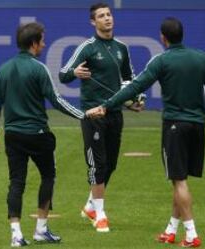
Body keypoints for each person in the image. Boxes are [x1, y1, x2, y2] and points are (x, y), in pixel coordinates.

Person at [87, 17, 205, 247]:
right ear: (183, 34)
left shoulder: (161, 61)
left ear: (163, 37)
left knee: (179, 181)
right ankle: (171, 229)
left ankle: (191, 234)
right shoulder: (201, 58)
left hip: (174, 127)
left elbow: (135, 87)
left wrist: (106, 105)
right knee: (179, 180)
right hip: (197, 126)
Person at [0, 22, 85, 247]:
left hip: (12, 135)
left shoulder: (3, 70)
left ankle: (16, 235)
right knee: (48, 176)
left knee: (16, 182)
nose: (44, 43)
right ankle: (41, 229)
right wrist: (83, 115)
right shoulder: (39, 69)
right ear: (33, 44)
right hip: (38, 134)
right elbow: (57, 100)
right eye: (42, 40)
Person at [58, 2, 143, 232]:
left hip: (115, 113)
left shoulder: (121, 48)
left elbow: (130, 79)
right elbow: (63, 74)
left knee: (110, 164)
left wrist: (134, 100)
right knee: (98, 163)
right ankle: (101, 215)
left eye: (109, 14)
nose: (107, 18)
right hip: (93, 114)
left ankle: (90, 206)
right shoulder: (86, 47)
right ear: (93, 22)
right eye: (101, 16)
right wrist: (74, 73)